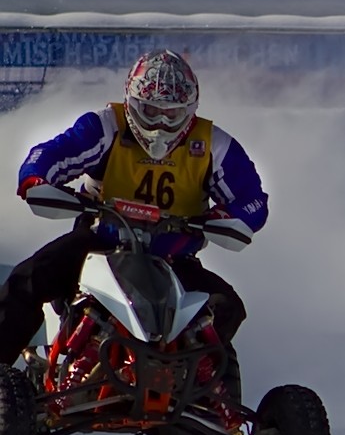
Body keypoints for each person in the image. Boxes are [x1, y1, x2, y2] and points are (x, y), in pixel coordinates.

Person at [3, 49, 268, 368]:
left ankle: (204, 392)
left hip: (173, 261)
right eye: (150, 111)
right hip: (99, 247)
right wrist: (36, 180)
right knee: (27, 280)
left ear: (190, 111)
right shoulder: (105, 127)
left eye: (171, 114)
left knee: (226, 308)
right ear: (131, 102)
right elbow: (50, 155)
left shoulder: (213, 145)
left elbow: (252, 200)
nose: (159, 124)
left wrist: (227, 218)